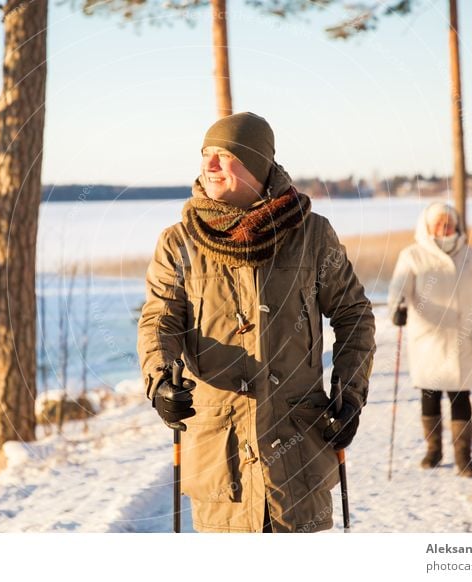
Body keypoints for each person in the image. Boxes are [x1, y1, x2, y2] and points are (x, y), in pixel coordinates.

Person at [136, 112, 376, 533]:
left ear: (258, 165)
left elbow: (354, 315)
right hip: (220, 457)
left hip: (299, 456)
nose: (209, 166)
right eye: (206, 155)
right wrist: (159, 380)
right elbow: (159, 321)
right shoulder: (179, 242)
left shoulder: (312, 235)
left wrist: (350, 393)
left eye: (224, 155)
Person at [388, 202, 472, 477]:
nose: (445, 227)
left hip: (462, 338)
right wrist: (397, 309)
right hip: (428, 340)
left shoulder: (471, 256)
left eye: (449, 222)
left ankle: (464, 457)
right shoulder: (412, 255)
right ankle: (433, 450)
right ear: (427, 226)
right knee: (430, 394)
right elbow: (398, 289)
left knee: (461, 397)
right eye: (439, 223)